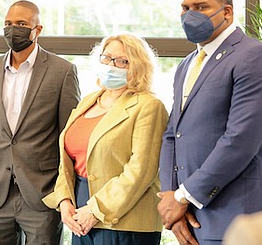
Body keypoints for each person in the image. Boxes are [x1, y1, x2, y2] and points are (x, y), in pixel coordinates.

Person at [157, 0, 262, 245]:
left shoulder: (254, 56)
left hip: (234, 213)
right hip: (188, 214)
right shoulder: (187, 64)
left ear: (227, 12)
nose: (189, 15)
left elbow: (240, 140)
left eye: (201, 7)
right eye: (185, 8)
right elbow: (174, 133)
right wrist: (171, 196)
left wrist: (184, 197)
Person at [0, 0, 81, 245]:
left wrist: (62, 190)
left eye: (21, 24)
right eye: (8, 24)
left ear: (37, 29)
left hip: (41, 193)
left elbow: (68, 137)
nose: (13, 29)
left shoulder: (62, 71)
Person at [43, 33, 168, 245]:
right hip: (80, 213)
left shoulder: (148, 106)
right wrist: (64, 200)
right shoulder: (88, 101)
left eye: (122, 61)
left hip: (125, 219)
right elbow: (68, 159)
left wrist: (95, 210)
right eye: (107, 57)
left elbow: (141, 171)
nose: (112, 65)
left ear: (137, 66)